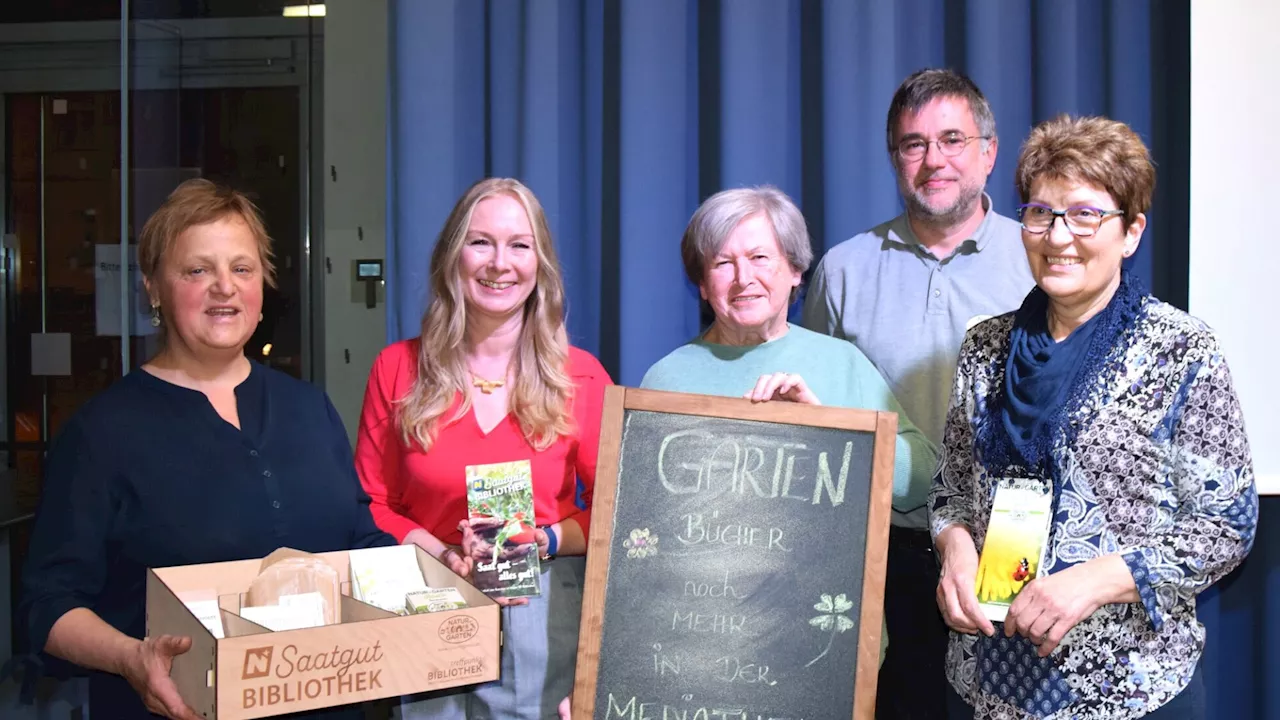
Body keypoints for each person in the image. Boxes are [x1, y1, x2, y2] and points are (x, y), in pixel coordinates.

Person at [17, 179, 395, 720]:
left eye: (241, 269)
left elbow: (360, 541)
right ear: (153, 288)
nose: (224, 287)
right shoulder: (101, 434)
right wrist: (129, 657)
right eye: (197, 270)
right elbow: (47, 606)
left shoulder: (311, 409)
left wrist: (436, 573)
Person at [929, 115, 1257, 719]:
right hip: (988, 686)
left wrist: (1099, 578)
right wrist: (954, 549)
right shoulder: (984, 348)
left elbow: (1228, 523)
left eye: (1085, 214)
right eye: (1041, 213)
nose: (1058, 236)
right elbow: (950, 489)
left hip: (1128, 689)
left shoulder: (1179, 349)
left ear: (1131, 231)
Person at [802, 67, 1035, 718]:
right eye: (914, 144)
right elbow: (813, 416)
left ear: (989, 152)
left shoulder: (1042, 260)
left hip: (1013, 560)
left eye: (953, 139)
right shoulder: (843, 271)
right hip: (884, 563)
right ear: (895, 159)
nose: (934, 159)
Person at [639, 185, 940, 664]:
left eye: (761, 257)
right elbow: (639, 533)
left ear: (795, 270)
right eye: (722, 263)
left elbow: (924, 482)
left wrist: (832, 431)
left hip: (823, 650)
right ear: (701, 282)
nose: (744, 278)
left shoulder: (843, 363)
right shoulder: (665, 379)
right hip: (696, 645)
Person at [355, 177, 611, 719]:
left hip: (544, 608)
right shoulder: (397, 369)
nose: (500, 263)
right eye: (481, 242)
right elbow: (371, 504)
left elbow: (619, 512)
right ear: (453, 256)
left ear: (539, 264)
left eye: (519, 245)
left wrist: (539, 539)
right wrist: (446, 554)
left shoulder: (581, 378)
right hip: (429, 595)